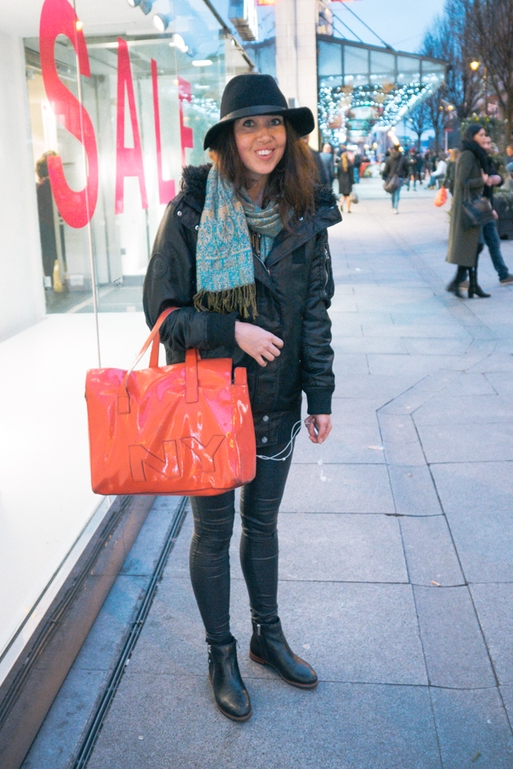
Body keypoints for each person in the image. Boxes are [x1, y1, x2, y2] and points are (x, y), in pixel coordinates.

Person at [143, 73, 340, 722]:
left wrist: (321, 394)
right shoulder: (193, 211)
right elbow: (163, 315)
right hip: (211, 404)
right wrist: (233, 329)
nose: (266, 136)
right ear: (228, 138)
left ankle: (266, 636)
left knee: (262, 525)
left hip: (278, 403)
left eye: (275, 123)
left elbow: (316, 309)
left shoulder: (305, 208)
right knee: (213, 530)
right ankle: (220, 652)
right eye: (250, 125)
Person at [446, 124, 495, 299]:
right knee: (475, 246)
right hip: (467, 208)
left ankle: (470, 284)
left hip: (475, 207)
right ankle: (460, 282)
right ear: (472, 136)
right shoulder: (467, 155)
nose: (484, 137)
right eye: (481, 134)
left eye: (485, 134)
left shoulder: (477, 154)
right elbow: (461, 182)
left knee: (475, 246)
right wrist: (481, 181)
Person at [481, 135, 513, 286]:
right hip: (479, 208)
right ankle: (460, 278)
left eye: (488, 142)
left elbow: (496, 177)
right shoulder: (474, 158)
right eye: (484, 142)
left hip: (487, 207)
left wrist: (496, 179)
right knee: (477, 246)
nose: (488, 145)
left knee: (494, 242)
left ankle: (503, 274)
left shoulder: (486, 158)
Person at [35, 151, 59, 291]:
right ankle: (49, 282)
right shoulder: (49, 184)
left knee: (48, 255)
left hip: (46, 224)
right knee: (51, 254)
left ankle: (48, 283)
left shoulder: (44, 184)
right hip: (49, 224)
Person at [382, 144, 406, 213]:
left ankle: (393, 206)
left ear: (393, 150)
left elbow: (386, 170)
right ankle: (395, 207)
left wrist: (385, 177)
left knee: (393, 192)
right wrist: (406, 176)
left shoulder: (389, 159)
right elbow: (406, 168)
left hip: (391, 177)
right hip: (399, 177)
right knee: (397, 193)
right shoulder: (402, 158)